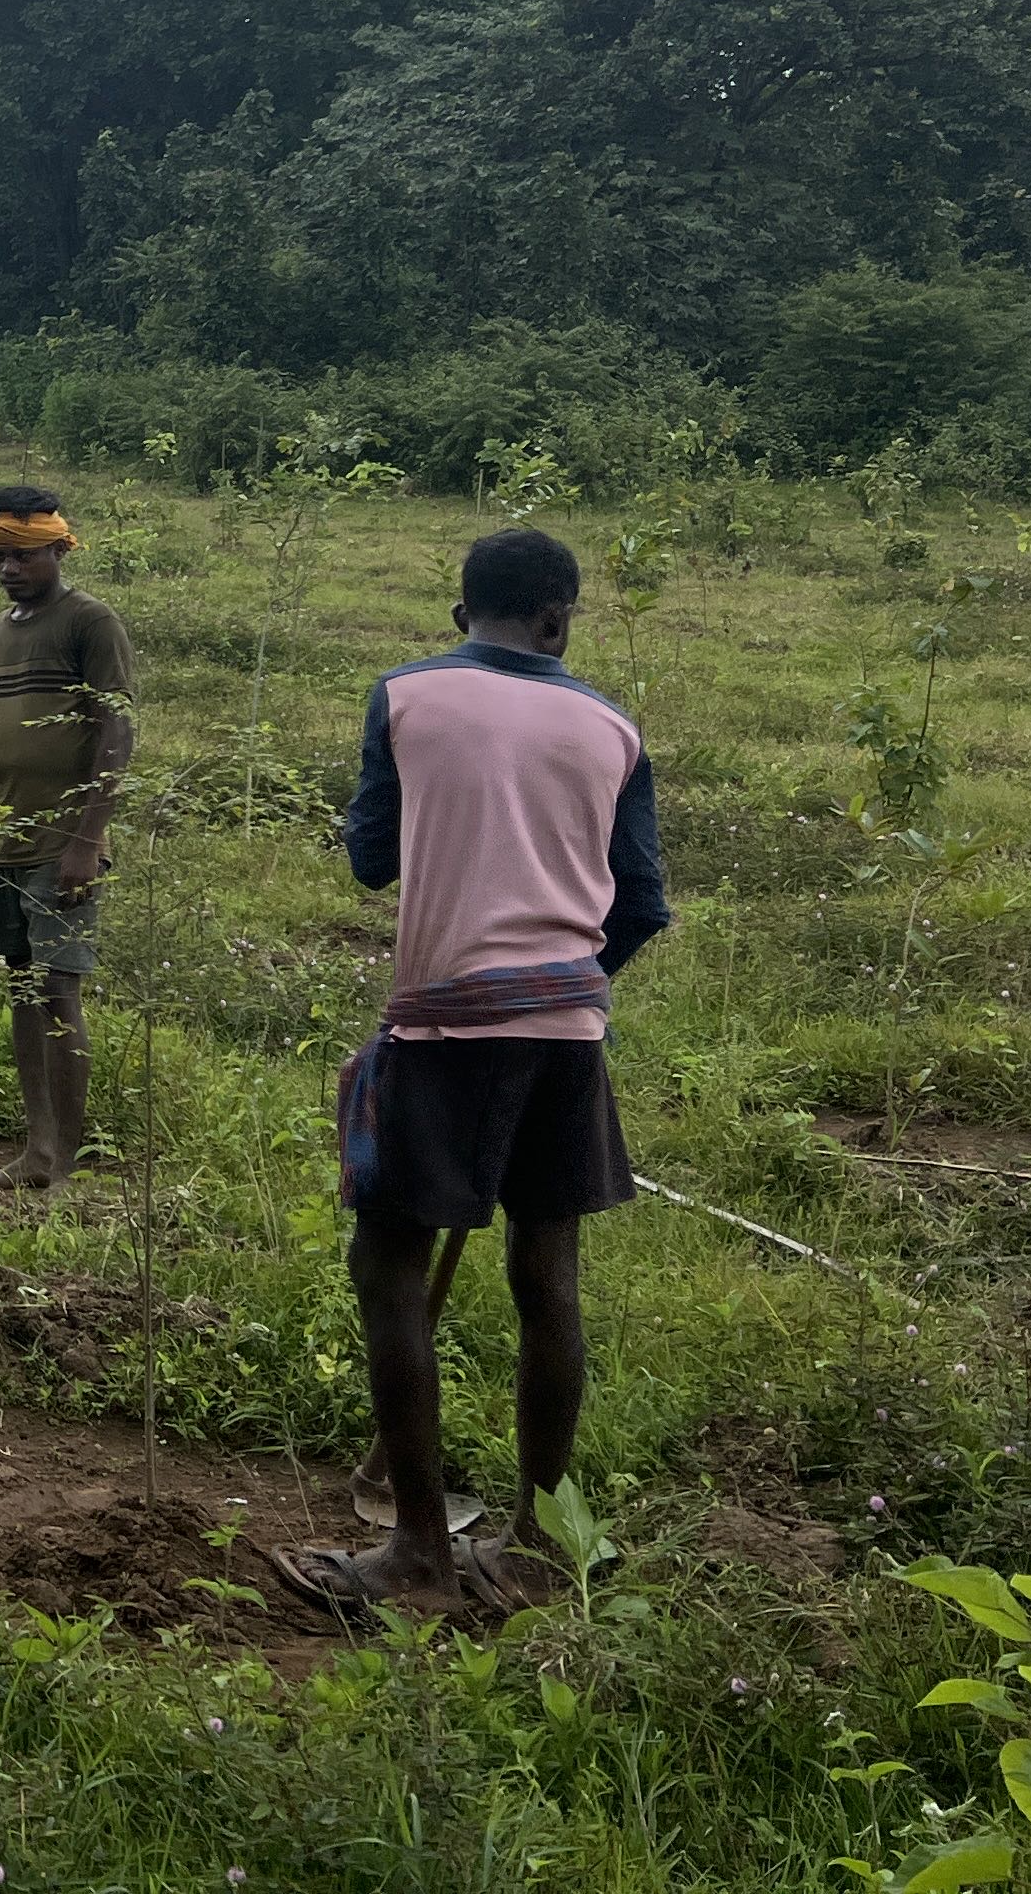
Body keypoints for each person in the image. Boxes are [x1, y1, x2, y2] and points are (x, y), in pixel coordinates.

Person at [276, 526, 667, 1622]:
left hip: (446, 1026)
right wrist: (558, 988)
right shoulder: (613, 728)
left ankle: (416, 1551)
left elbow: (372, 857)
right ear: (558, 620)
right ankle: (540, 1544)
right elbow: (641, 902)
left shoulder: (407, 697)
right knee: (549, 1274)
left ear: (461, 618)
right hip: (568, 1031)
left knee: (387, 1264)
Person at [0, 485, 134, 1189]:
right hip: (3, 842)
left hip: (63, 843)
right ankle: (37, 1151)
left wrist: (88, 839)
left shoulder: (90, 622)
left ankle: (65, 1170)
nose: (9, 568)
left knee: (58, 990)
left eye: (23, 556)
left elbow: (117, 728)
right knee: (23, 989)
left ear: (59, 548)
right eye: (0, 556)